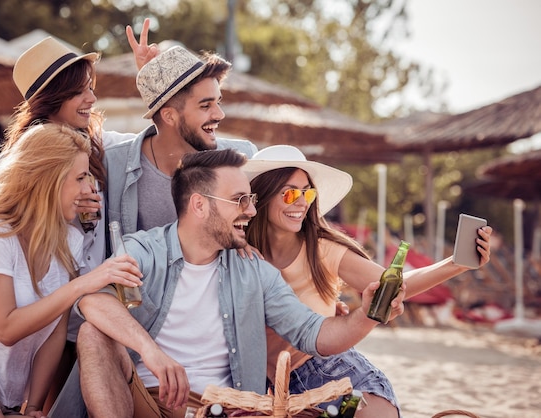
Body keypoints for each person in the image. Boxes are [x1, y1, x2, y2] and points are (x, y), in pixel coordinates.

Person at [53, 148, 405, 418]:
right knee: (93, 334)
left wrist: (367, 316)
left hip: (224, 407)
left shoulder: (254, 269)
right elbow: (92, 301)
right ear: (199, 205)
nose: (250, 211)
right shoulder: (147, 250)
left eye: (250, 200)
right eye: (239, 200)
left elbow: (317, 335)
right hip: (145, 400)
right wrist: (152, 353)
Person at [243, 145, 493, 418]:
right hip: (271, 386)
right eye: (291, 193)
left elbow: (392, 284)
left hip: (330, 370)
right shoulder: (238, 253)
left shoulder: (321, 248)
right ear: (262, 197)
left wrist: (454, 264)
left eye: (308, 192)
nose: (302, 202)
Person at [0, 124, 141, 418]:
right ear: (48, 180)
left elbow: (55, 332)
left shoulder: (69, 241)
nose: (89, 189)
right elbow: (6, 329)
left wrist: (33, 405)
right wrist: (83, 284)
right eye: (80, 177)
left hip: (3, 397)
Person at [8, 36, 118, 410]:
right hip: (39, 311)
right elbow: (15, 225)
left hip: (84, 308)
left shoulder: (95, 144)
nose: (91, 100)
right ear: (53, 98)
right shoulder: (25, 158)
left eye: (91, 88)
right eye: (79, 91)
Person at [104, 19, 258, 235]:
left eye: (218, 102)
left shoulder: (245, 160)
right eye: (206, 105)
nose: (219, 114)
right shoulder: (113, 165)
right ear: (169, 115)